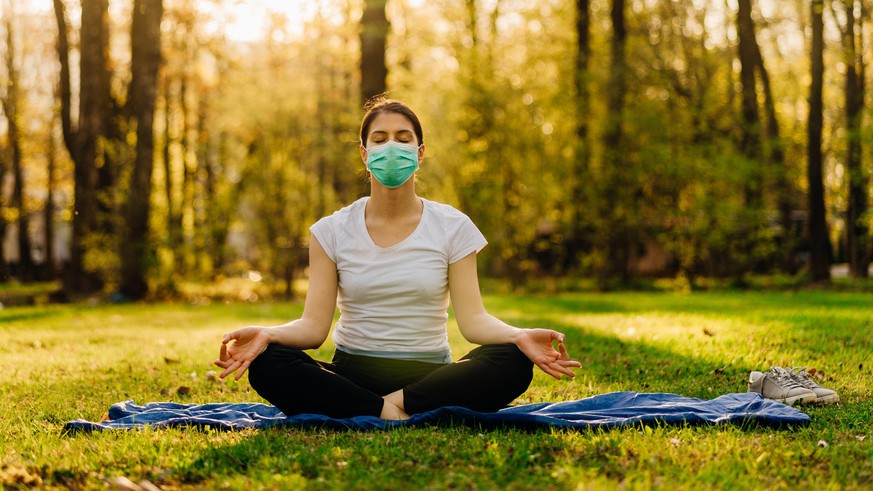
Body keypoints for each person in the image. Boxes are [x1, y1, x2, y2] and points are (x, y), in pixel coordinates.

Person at [214, 98, 581, 420]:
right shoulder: (331, 230)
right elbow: (313, 328)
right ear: (364, 152)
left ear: (420, 152)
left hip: (429, 378)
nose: (392, 147)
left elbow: (474, 321)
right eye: (380, 138)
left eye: (404, 138)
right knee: (268, 364)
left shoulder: (453, 226)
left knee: (513, 362)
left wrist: (519, 336)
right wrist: (268, 334)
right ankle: (395, 411)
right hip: (351, 373)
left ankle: (377, 407)